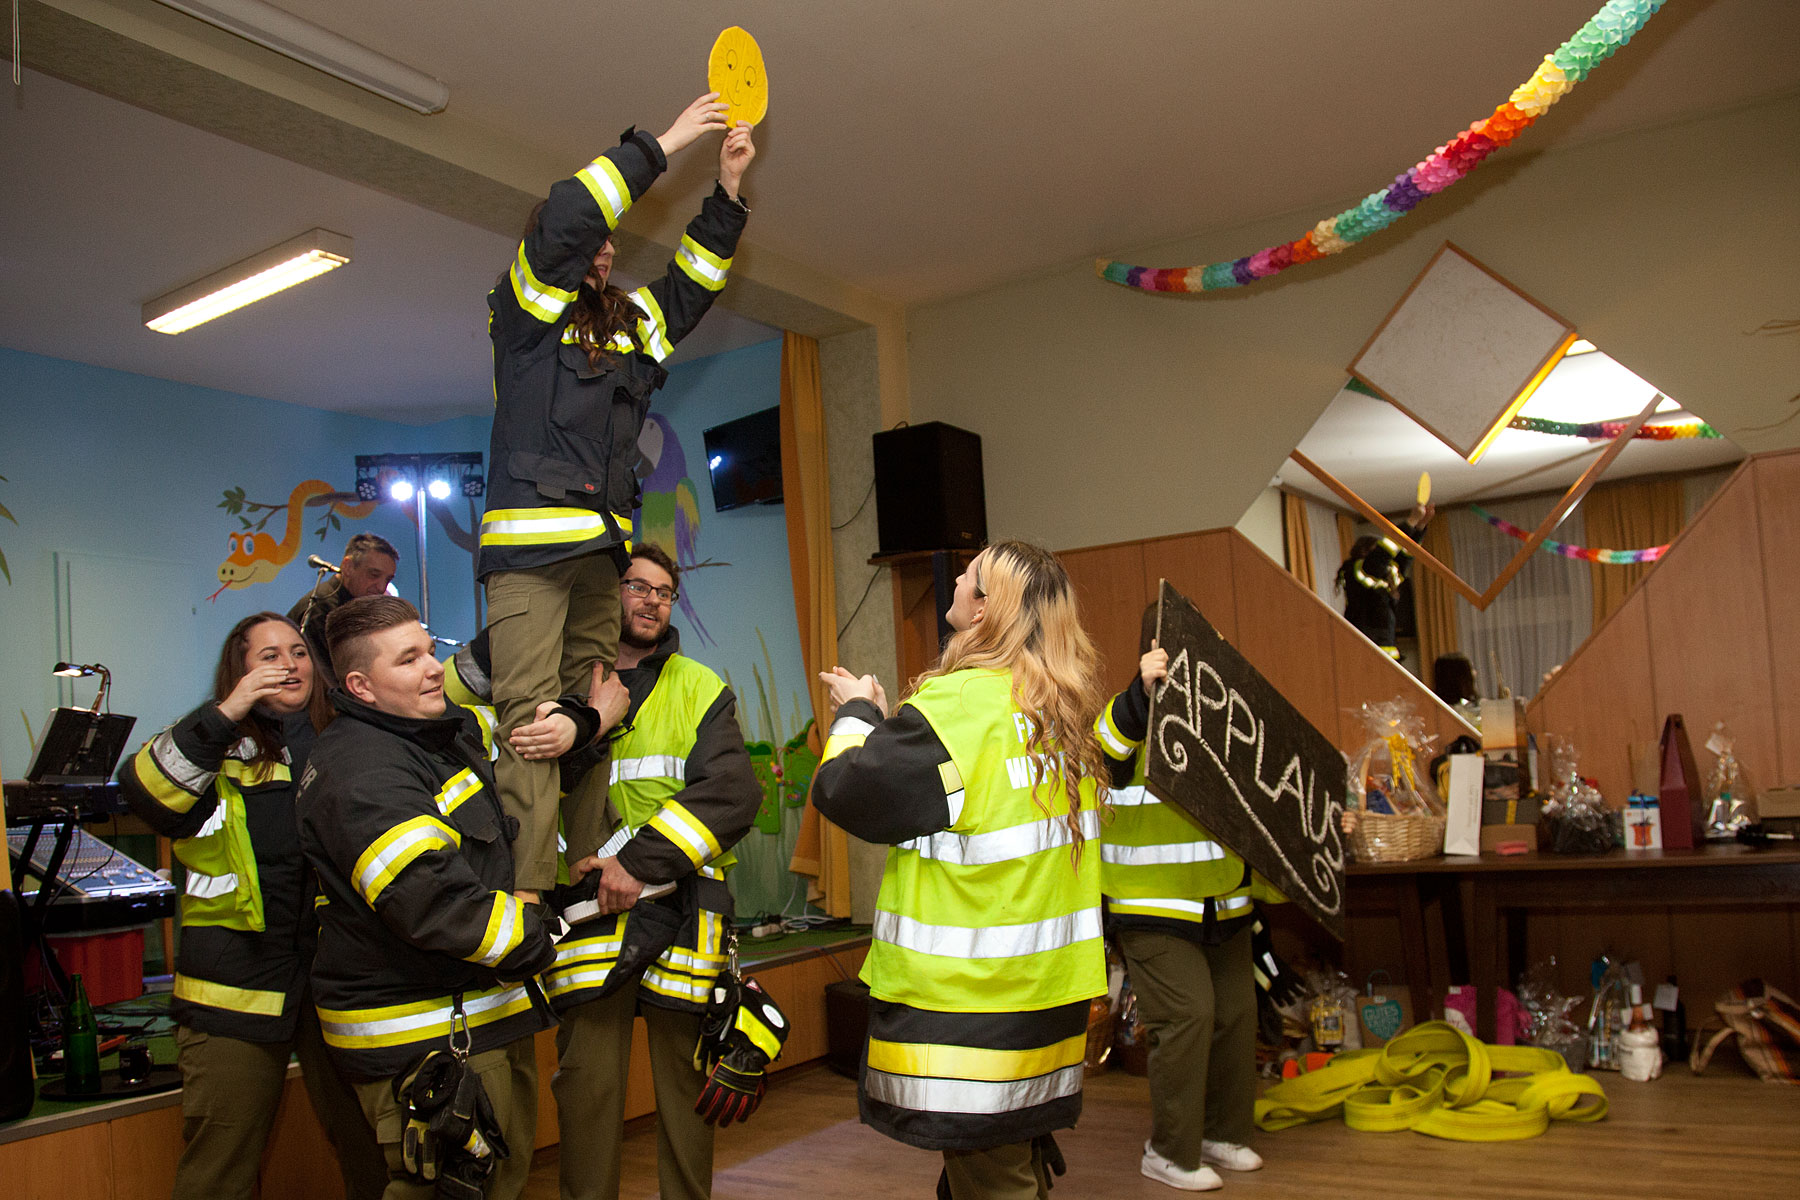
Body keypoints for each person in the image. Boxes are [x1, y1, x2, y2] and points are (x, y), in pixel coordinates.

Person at [479, 93, 757, 905]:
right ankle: (527, 898)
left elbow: (694, 284)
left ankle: (585, 869)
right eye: (591, 240)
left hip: (601, 555)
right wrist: (667, 144)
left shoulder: (630, 325)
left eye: (608, 244)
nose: (601, 249)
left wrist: (728, 191)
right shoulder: (525, 313)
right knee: (533, 724)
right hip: (531, 553)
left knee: (594, 716)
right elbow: (570, 212)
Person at [811, 541, 1110, 1200]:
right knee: (1009, 1163)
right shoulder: (1058, 712)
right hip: (1046, 996)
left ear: (984, 609)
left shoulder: (962, 707)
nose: (956, 580)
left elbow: (847, 792)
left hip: (971, 1008)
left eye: (969, 576)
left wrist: (856, 715)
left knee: (994, 1182)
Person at [297, 596, 566, 1200]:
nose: (432, 668)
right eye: (408, 659)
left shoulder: (427, 737)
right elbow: (434, 903)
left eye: (429, 650)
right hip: (427, 1038)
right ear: (361, 686)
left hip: (476, 1017)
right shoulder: (361, 770)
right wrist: (537, 934)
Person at [120, 612, 385, 1200]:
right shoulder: (213, 745)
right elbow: (147, 793)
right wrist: (227, 712)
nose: (289, 665)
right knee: (221, 1166)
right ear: (238, 672)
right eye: (269, 656)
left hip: (335, 983)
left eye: (298, 652)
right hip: (232, 991)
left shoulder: (344, 739)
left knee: (371, 1149)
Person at [534, 542, 762, 1200]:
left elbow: (732, 795)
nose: (652, 601)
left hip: (683, 912)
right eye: (638, 586)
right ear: (609, 592)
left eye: (664, 592)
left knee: (687, 1090)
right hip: (587, 912)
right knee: (587, 1088)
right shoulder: (559, 681)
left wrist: (635, 864)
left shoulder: (699, 686)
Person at [1095, 630, 1282, 1192]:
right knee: (1189, 1015)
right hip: (1152, 904)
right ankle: (1168, 1151)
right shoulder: (1129, 717)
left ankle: (1223, 1134)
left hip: (1225, 903)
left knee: (1237, 1014)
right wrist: (1139, 693)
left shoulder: (1230, 727)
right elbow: (1102, 752)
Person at [288, 532, 399, 686]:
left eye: (387, 579)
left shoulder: (361, 604)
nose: (381, 587)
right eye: (374, 575)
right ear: (348, 567)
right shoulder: (319, 608)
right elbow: (325, 679)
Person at [1335, 505, 1432, 658]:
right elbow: (1384, 553)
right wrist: (1411, 521)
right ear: (1365, 551)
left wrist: (1419, 528)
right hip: (1364, 648)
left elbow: (1404, 558)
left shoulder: (1382, 573)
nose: (1387, 559)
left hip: (1385, 647)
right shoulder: (1357, 569)